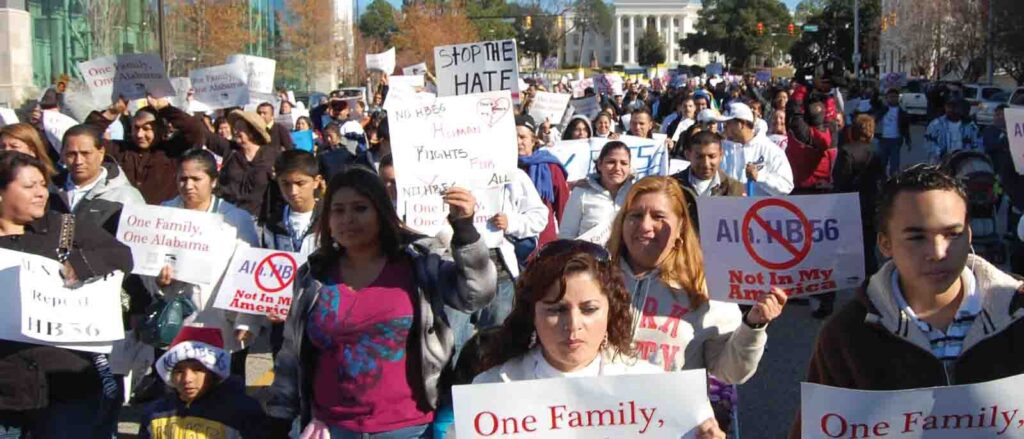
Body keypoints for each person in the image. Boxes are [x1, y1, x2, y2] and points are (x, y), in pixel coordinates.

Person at [789, 165, 1024, 437]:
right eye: (916, 237)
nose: (937, 252)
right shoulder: (846, 335)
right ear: (885, 244)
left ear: (969, 235)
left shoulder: (1018, 315)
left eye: (952, 234)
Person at [264, 167, 497, 437]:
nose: (348, 219)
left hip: (410, 429)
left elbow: (478, 293)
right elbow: (292, 352)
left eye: (360, 208)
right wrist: (279, 416)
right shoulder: (312, 276)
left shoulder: (419, 265)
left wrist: (465, 230)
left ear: (381, 212)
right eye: (338, 210)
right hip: (330, 428)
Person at [472, 240, 725, 438]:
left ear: (610, 310)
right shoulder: (491, 391)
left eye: (589, 309)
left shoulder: (656, 389)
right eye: (556, 310)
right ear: (532, 314)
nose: (573, 326)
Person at [0, 151, 133, 437]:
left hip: (66, 386)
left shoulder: (64, 227)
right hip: (6, 388)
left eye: (42, 185)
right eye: (29, 187)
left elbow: (120, 255)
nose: (40, 193)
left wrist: (82, 266)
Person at [607, 176, 786, 376]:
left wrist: (753, 326)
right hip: (604, 406)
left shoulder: (704, 287)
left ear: (680, 227)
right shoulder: (595, 279)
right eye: (635, 215)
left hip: (674, 406)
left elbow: (731, 373)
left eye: (658, 216)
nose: (645, 226)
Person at [144, 149, 259, 376]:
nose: (188, 185)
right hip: (175, 319)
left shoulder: (236, 220)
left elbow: (249, 275)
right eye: (182, 179)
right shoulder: (162, 214)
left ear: (213, 181)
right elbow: (146, 264)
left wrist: (247, 323)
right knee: (179, 387)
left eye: (196, 179)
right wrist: (156, 280)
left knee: (224, 393)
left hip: (220, 323)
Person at [244, 150, 324, 358]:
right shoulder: (272, 223)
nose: (293, 191)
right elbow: (265, 267)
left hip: (321, 316)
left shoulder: (331, 219)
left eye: (300, 183)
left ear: (316, 182)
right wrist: (268, 303)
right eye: (285, 184)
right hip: (281, 320)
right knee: (274, 376)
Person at [137, 327, 268, 438]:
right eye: (179, 371)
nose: (187, 379)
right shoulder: (154, 413)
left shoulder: (243, 413)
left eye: (198, 370)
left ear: (214, 373)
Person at [53, 125, 145, 234]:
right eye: (71, 154)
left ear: (101, 153)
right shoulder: (47, 189)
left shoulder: (125, 196)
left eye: (85, 153)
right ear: (62, 154)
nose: (78, 161)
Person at [833, 114, 885, 277]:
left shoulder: (846, 151)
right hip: (871, 203)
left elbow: (840, 180)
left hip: (851, 204)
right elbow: (881, 178)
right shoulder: (876, 152)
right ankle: (871, 279)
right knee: (868, 246)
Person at [558, 140, 635, 244]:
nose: (617, 168)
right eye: (611, 162)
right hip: (588, 258)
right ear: (599, 164)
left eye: (624, 163)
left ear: (629, 167)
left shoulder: (635, 194)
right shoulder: (581, 192)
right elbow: (567, 234)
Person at [204, 109, 278, 217]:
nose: (235, 131)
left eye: (240, 128)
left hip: (259, 223)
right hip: (227, 218)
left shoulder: (272, 156)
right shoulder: (230, 150)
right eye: (235, 128)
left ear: (252, 132)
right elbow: (200, 133)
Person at [671, 131, 745, 229]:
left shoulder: (735, 188)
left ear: (721, 155)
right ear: (688, 155)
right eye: (699, 157)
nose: (706, 163)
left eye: (712, 156)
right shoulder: (672, 185)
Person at [516, 114, 569, 247]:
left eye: (522, 137)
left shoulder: (550, 167)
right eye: (512, 137)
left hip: (544, 242)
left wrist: (567, 243)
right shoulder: (502, 169)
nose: (517, 142)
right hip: (511, 242)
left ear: (533, 140)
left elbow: (564, 208)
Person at [719, 102, 794, 196]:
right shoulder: (721, 149)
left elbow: (786, 186)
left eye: (728, 124)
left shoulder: (770, 149)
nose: (724, 128)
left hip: (760, 209)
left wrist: (759, 177)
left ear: (741, 124)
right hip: (728, 208)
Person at [924, 99, 983, 164]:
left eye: (953, 107)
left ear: (961, 109)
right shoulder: (936, 124)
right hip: (940, 165)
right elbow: (929, 144)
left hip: (964, 165)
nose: (950, 110)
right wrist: (940, 154)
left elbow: (978, 146)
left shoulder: (971, 126)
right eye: (948, 107)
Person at [875, 88, 912, 175]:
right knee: (881, 163)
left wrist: (908, 140)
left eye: (895, 97)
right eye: (890, 97)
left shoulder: (902, 112)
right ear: (886, 98)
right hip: (883, 139)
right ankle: (881, 182)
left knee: (894, 164)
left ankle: (893, 182)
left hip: (896, 140)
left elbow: (906, 127)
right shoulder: (882, 109)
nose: (893, 99)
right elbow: (874, 115)